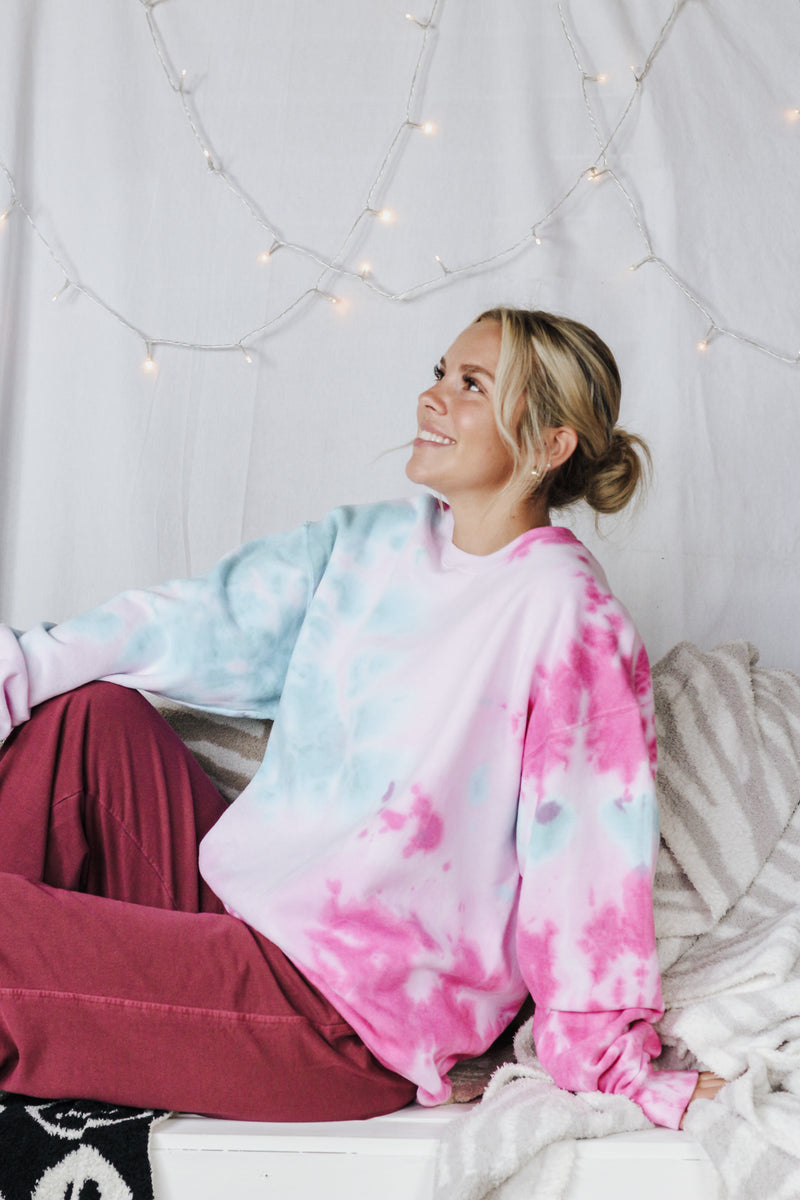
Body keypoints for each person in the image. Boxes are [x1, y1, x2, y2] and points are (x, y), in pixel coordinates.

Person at [0, 307, 722, 1128]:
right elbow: (204, 621)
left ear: (550, 445)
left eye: (472, 385)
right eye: (441, 372)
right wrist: (25, 665)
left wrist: (609, 1059)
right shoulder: (373, 543)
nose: (433, 396)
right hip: (246, 913)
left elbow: (588, 858)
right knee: (87, 721)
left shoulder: (569, 615)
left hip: (344, 1011)